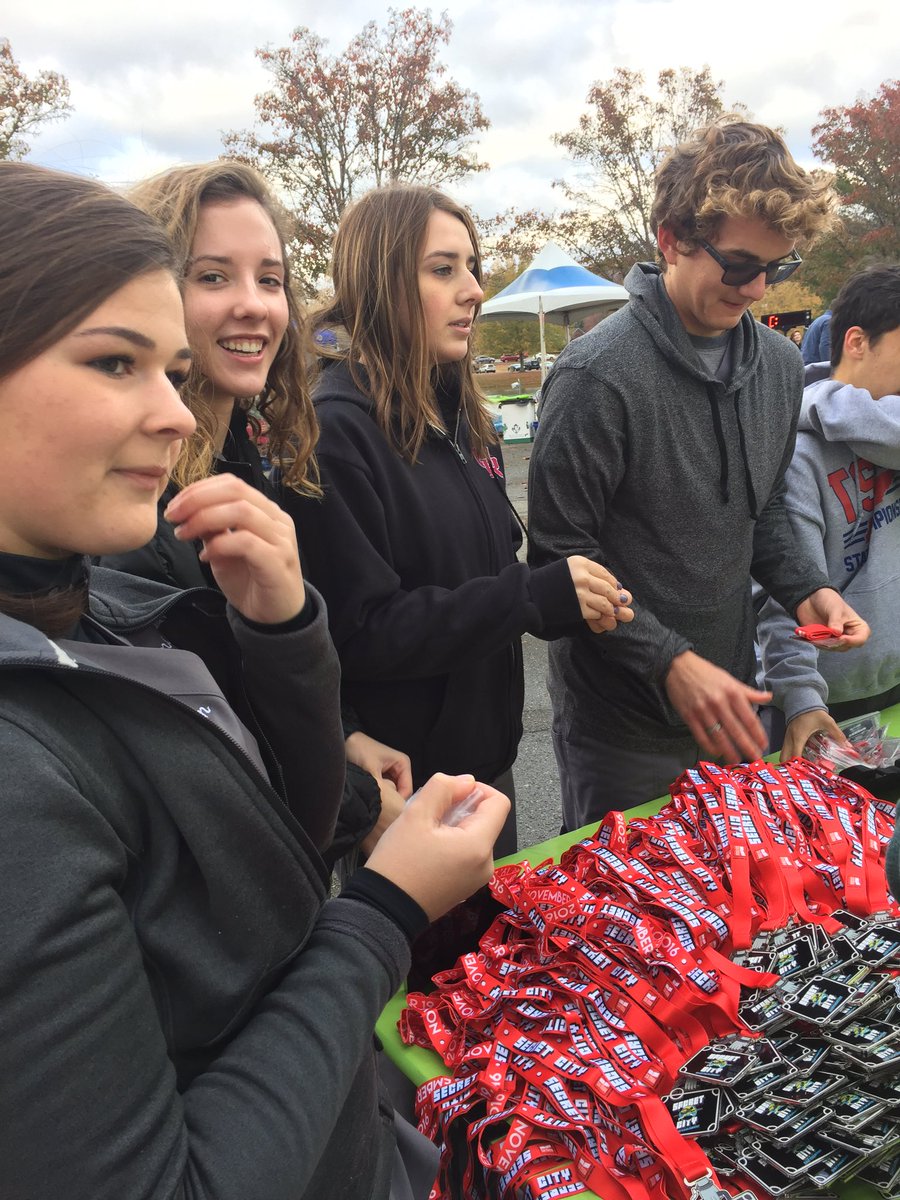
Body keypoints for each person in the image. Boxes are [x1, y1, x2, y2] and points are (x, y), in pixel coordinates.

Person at [0, 160, 510, 1200]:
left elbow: (264, 861)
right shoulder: (37, 738)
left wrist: (286, 634)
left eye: (171, 368)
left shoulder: (92, 599)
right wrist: (383, 909)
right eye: (115, 362)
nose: (175, 413)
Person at [527, 118, 870, 831]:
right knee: (628, 900)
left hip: (735, 706)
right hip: (621, 730)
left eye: (778, 268)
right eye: (740, 265)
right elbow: (560, 561)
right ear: (671, 238)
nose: (758, 288)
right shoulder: (596, 376)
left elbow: (763, 511)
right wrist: (671, 663)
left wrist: (809, 590)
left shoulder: (780, 367)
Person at [281, 184, 633, 857]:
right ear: (379, 282)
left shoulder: (459, 413)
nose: (473, 290)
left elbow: (475, 575)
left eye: (471, 266)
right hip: (405, 789)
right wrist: (528, 598)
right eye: (443, 269)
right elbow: (360, 635)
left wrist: (562, 599)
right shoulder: (336, 432)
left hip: (487, 763)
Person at [100, 161, 411, 861]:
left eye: (270, 280)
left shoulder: (242, 454)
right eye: (213, 277)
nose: (254, 306)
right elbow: (202, 745)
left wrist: (342, 734)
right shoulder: (130, 506)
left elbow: (270, 655)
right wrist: (362, 807)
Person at [757, 265, 900, 760]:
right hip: (821, 705)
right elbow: (781, 592)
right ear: (857, 342)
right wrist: (801, 698)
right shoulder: (797, 454)